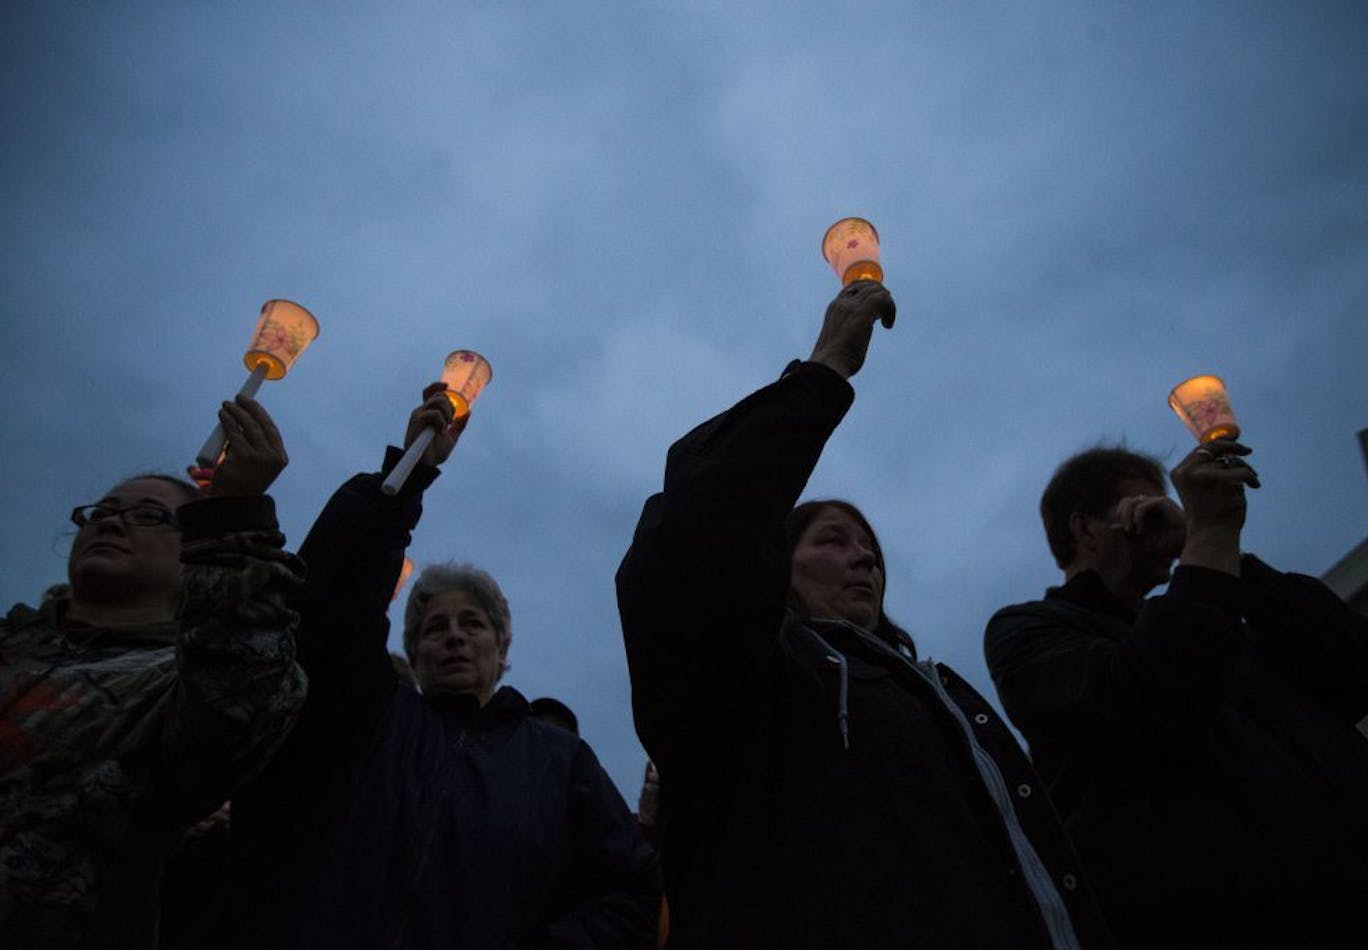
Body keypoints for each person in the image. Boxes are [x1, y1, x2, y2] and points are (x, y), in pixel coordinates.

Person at [616, 282, 1111, 949]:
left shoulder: (937, 698)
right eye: (832, 540)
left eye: (872, 550)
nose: (865, 561)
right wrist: (823, 371)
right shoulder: (751, 680)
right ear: (776, 563)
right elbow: (701, 526)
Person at [207, 384, 660, 950]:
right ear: (413, 651)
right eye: (433, 627)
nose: (453, 637)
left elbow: (631, 891)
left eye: (472, 624)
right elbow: (333, 602)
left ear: (502, 647)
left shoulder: (558, 761)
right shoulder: (365, 718)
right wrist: (406, 476)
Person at [984, 444, 1368, 948]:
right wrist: (1209, 538)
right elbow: (1153, 700)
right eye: (1149, 508)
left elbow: (1362, 670)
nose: (1171, 517)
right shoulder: (1028, 633)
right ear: (1085, 530)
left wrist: (1214, 546)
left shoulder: (1220, 625)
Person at [0, 396, 306, 950]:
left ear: (194, 552)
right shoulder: (11, 643)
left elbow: (239, 681)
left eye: (147, 516)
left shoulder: (170, 690)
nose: (113, 522)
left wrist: (235, 515)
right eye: (102, 512)